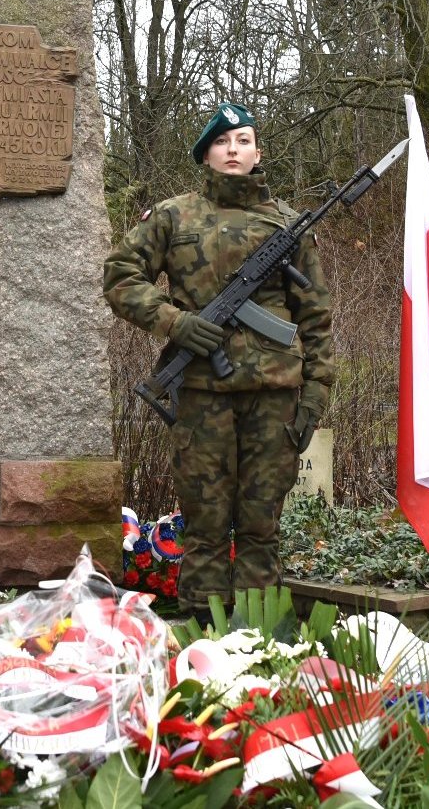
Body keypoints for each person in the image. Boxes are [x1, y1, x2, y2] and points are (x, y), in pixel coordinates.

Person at [102, 102, 334, 624]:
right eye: (223, 142)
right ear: (206, 153)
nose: (234, 151)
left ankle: (263, 642)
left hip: (274, 397)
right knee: (205, 527)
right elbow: (119, 275)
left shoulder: (288, 225)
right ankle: (201, 645)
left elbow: (316, 315)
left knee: (260, 526)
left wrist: (316, 393)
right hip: (201, 395)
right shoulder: (172, 215)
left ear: (258, 152)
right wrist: (174, 322)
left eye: (244, 140)